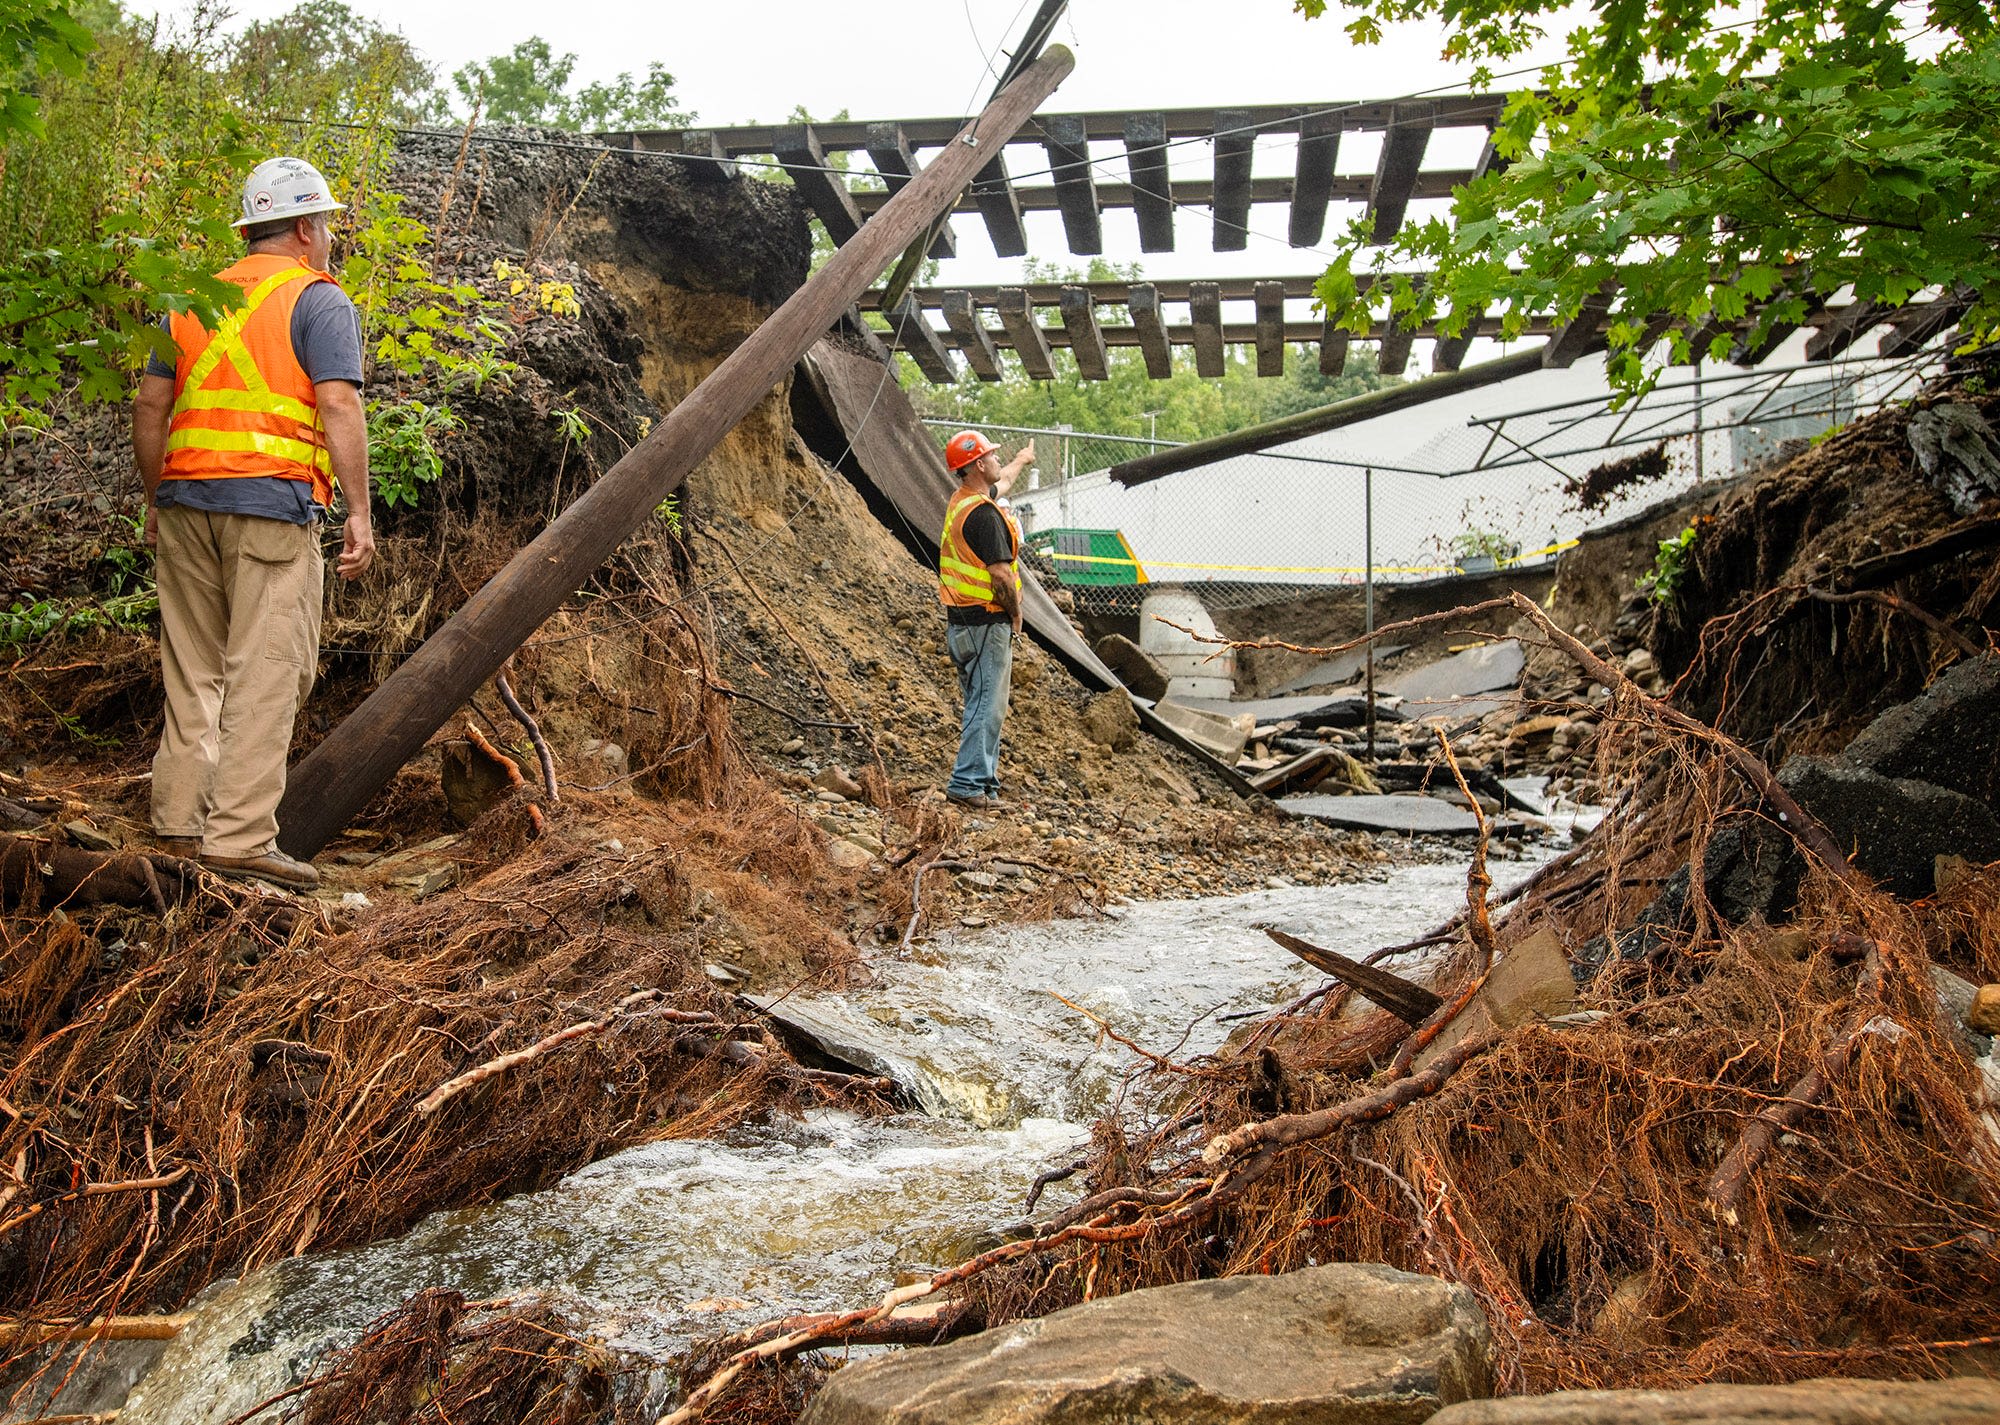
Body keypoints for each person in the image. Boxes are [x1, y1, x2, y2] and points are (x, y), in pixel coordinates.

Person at [130, 156, 375, 892]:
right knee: (266, 672)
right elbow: (338, 405)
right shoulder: (318, 299)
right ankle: (238, 837)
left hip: (183, 505)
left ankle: (178, 821)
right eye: (325, 224)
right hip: (270, 510)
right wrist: (360, 510)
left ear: (249, 228)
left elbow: (150, 408)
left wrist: (155, 497)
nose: (328, 237)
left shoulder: (187, 300)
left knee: (194, 669)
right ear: (303, 228)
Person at [937, 429, 1034, 810]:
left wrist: (1023, 460)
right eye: (992, 455)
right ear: (978, 465)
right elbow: (1000, 575)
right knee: (987, 706)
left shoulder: (964, 501)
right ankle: (967, 783)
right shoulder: (985, 516)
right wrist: (1016, 612)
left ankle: (984, 783)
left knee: (981, 702)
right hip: (986, 624)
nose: (998, 459)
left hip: (961, 624)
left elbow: (1005, 479)